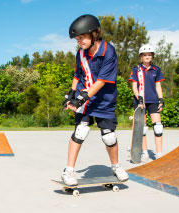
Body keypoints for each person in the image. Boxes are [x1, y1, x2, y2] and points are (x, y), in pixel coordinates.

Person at [61, 14, 128, 186]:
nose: (79, 42)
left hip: (104, 100)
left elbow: (101, 81)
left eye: (82, 37)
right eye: (77, 39)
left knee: (109, 137)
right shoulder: (80, 54)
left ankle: (116, 166)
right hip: (86, 98)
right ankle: (68, 170)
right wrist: (71, 93)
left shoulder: (108, 51)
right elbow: (78, 75)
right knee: (80, 131)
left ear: (94, 34)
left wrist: (81, 99)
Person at [129, 44, 165, 163]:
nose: (147, 57)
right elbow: (134, 86)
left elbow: (158, 86)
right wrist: (139, 99)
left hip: (153, 100)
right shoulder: (136, 69)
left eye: (149, 55)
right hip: (140, 101)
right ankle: (144, 153)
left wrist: (161, 99)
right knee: (143, 129)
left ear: (152, 56)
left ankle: (159, 154)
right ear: (141, 57)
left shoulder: (156, 70)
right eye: (145, 55)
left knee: (158, 127)